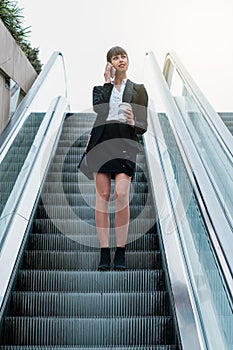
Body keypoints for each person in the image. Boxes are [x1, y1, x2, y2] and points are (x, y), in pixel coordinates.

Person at [78, 46, 148, 271]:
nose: (120, 60)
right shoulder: (100, 89)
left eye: (123, 56)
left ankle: (121, 250)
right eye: (115, 57)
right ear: (109, 63)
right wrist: (107, 81)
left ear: (128, 60)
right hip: (102, 142)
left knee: (121, 194)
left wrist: (132, 123)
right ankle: (104, 251)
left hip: (125, 143)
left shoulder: (139, 90)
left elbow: (143, 125)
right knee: (103, 196)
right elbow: (99, 110)